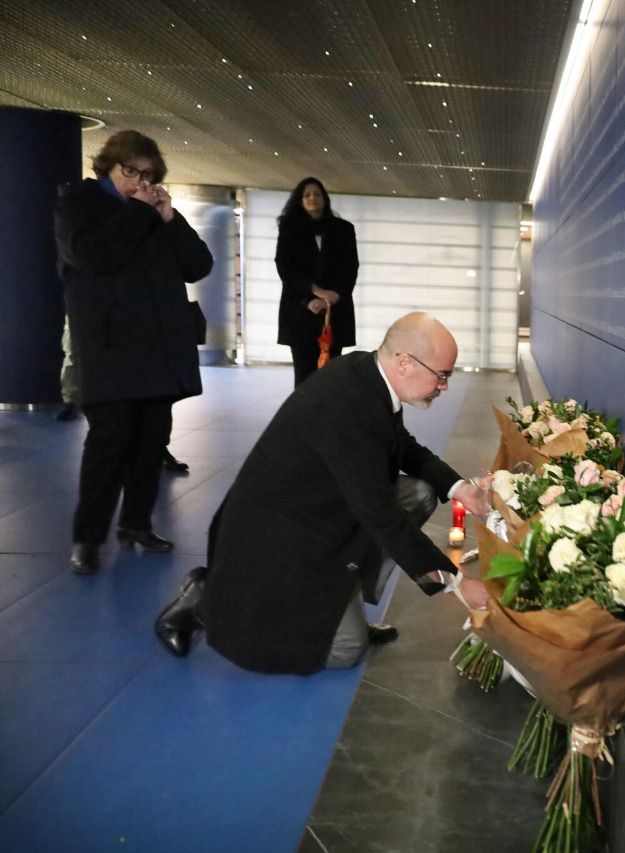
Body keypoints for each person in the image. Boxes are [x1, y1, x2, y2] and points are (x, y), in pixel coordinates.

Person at [154, 312, 491, 674]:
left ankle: (337, 604)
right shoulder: (347, 408)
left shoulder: (368, 372)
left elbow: (401, 446)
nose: (444, 386)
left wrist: (461, 490)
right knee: (347, 648)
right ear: (405, 363)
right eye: (442, 375)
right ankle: (206, 603)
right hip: (282, 537)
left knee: (420, 494)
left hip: (324, 508)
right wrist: (455, 583)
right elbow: (380, 514)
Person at [54, 130, 212, 574]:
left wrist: (169, 218)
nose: (140, 181)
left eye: (148, 174)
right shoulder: (79, 205)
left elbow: (198, 264)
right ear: (109, 166)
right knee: (109, 444)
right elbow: (92, 256)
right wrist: (139, 212)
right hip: (110, 351)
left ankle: (137, 524)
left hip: (158, 350)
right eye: (131, 172)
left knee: (151, 442)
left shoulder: (154, 214)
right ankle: (87, 538)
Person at [275, 177, 358, 387]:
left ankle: (330, 419)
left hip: (334, 311)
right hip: (301, 311)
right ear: (300, 200)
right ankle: (304, 419)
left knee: (332, 375)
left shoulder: (344, 229)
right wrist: (313, 294)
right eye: (307, 195)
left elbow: (350, 267)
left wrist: (334, 295)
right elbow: (286, 269)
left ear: (325, 198)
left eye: (317, 194)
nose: (313, 198)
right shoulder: (289, 230)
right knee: (304, 376)